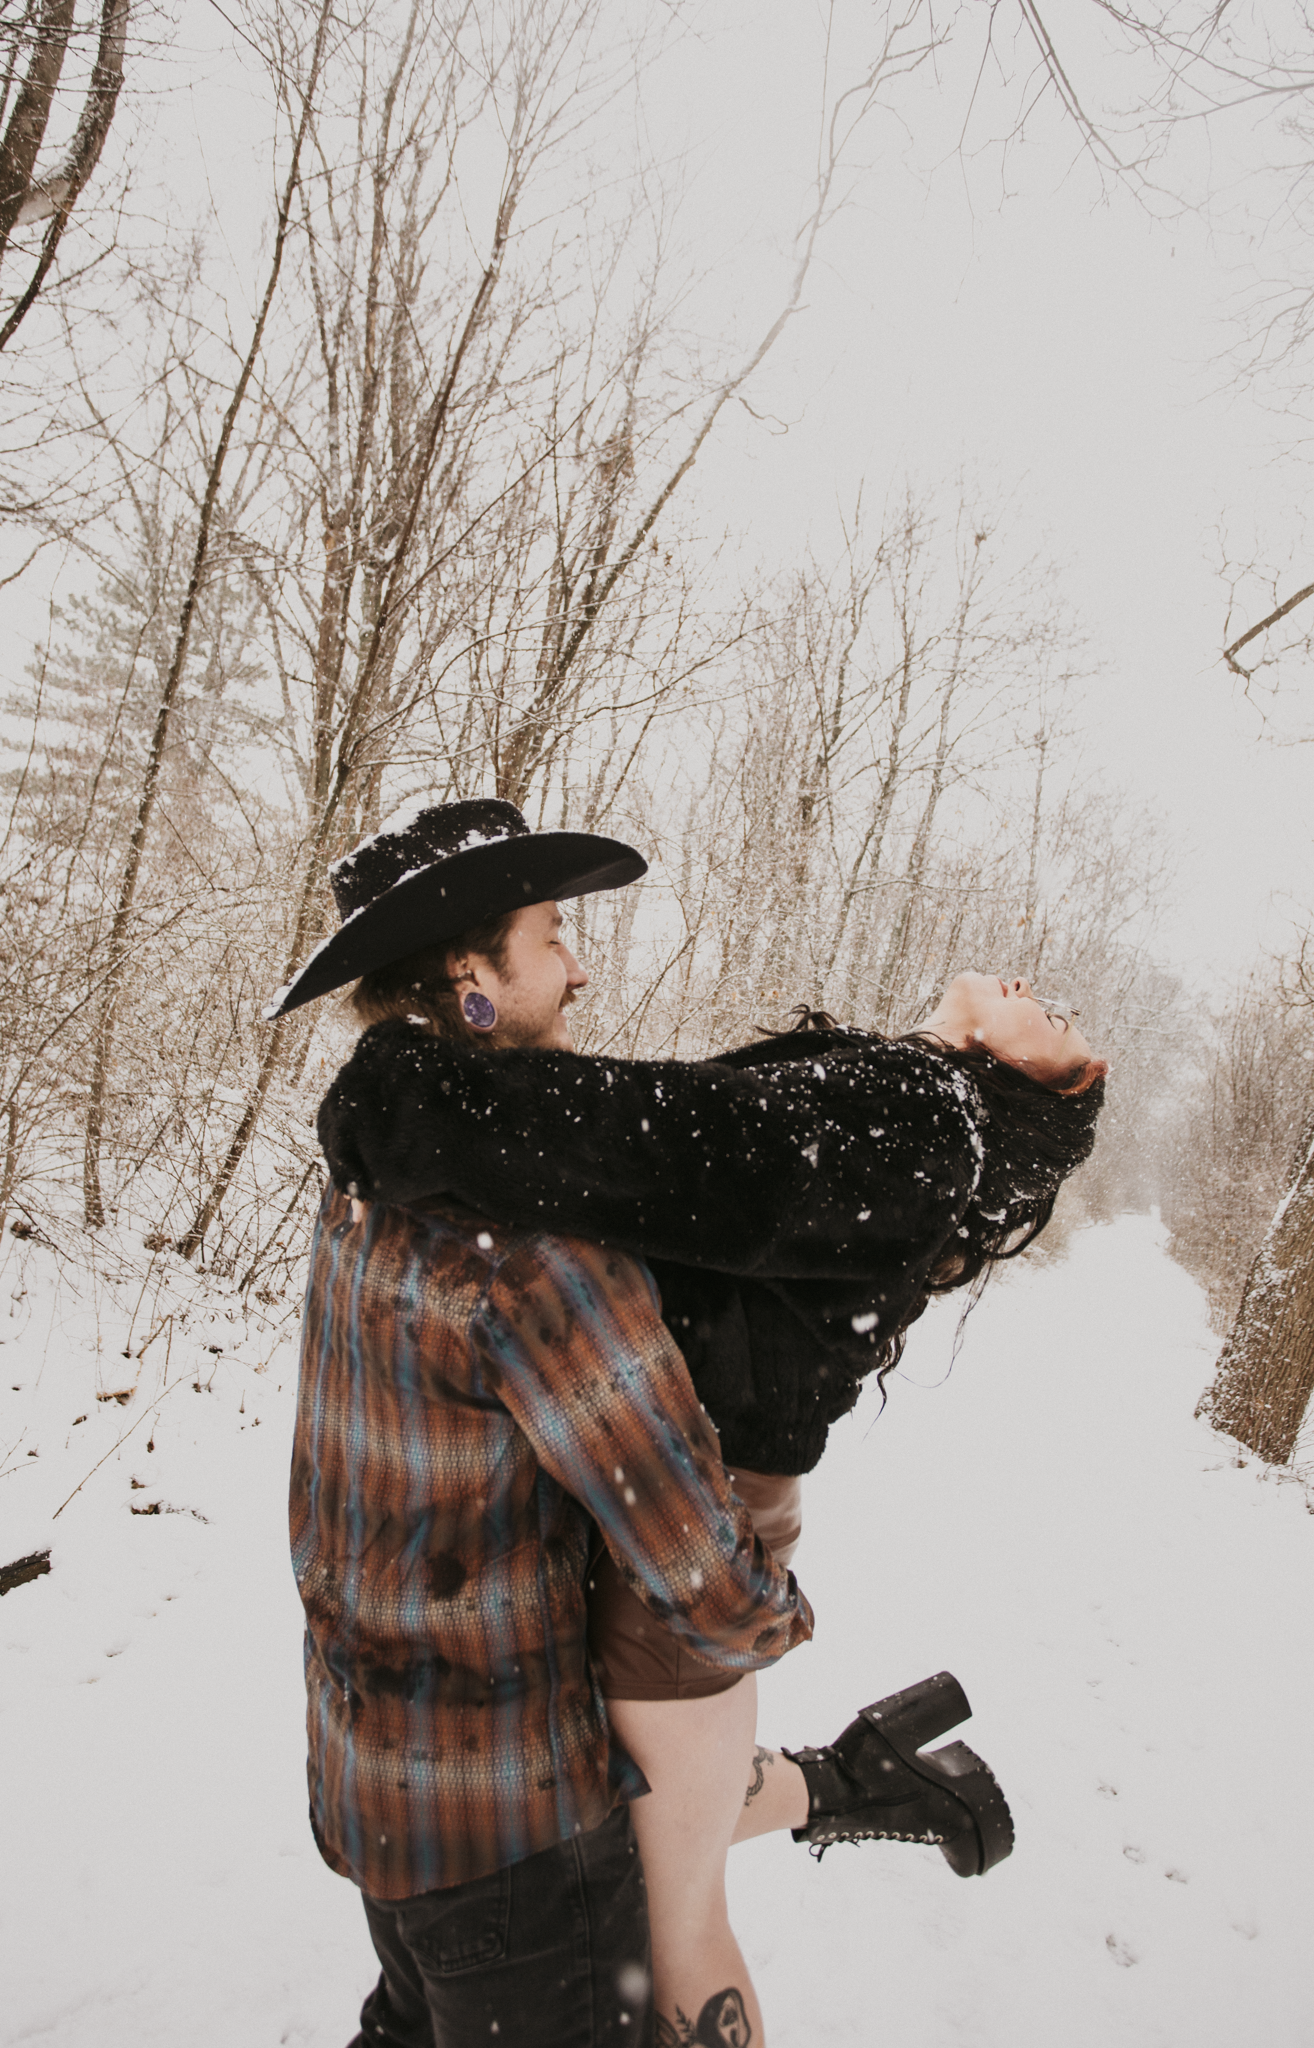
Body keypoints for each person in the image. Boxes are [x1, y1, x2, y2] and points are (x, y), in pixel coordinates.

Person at [321, 915, 1107, 2044]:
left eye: (1062, 1021)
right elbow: (664, 1156)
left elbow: (662, 1148)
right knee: (636, 1825)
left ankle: (860, 1782)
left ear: (1052, 1076)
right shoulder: (902, 1083)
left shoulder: (926, 1123)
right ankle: (860, 1777)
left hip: (692, 1506)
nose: (1040, 982)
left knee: (669, 1908)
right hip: (642, 1472)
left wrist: (412, 1090)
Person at [270, 798, 823, 2048]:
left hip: (376, 1798)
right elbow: (693, 1564)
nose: (581, 964)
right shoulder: (527, 1246)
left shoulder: (365, 1179)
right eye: (554, 933)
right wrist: (777, 1610)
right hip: (516, 1845)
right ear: (471, 973)